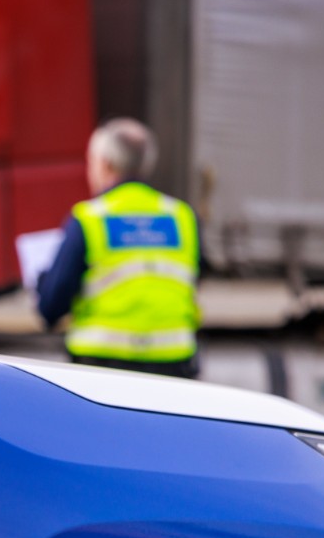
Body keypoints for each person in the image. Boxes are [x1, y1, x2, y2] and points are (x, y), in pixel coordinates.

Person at [35, 117, 202, 378]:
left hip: (102, 368)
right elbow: (192, 279)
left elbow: (51, 307)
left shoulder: (89, 219)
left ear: (105, 164)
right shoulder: (181, 216)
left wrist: (43, 281)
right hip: (175, 364)